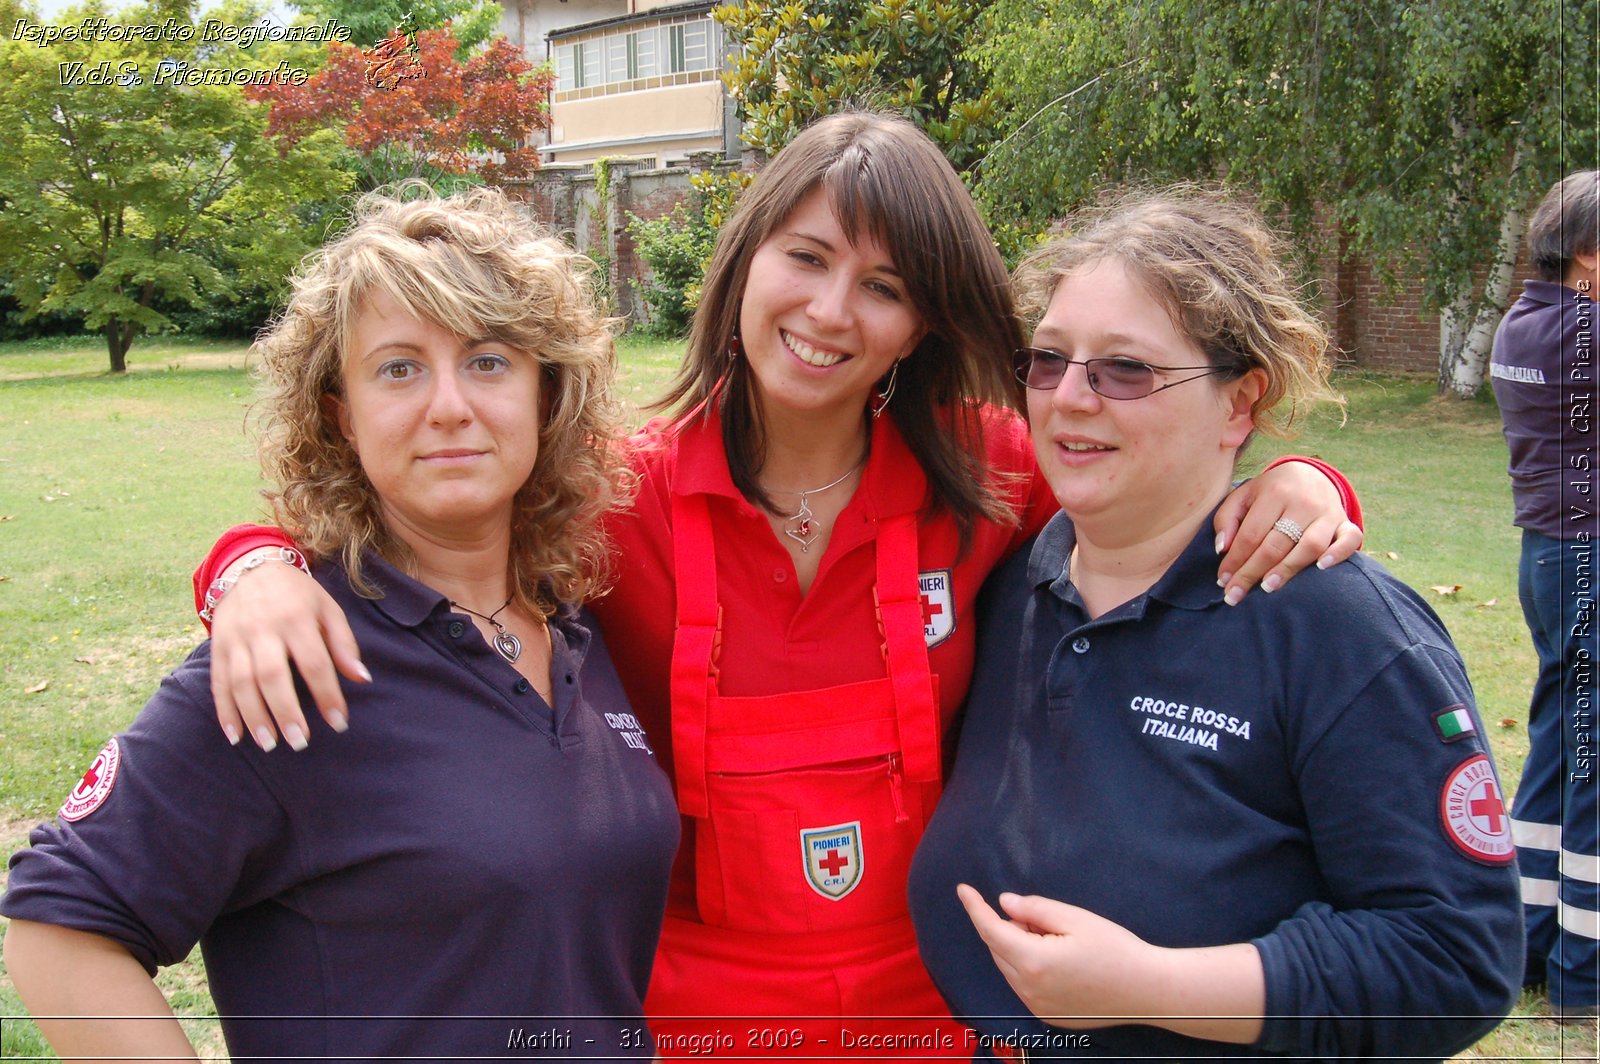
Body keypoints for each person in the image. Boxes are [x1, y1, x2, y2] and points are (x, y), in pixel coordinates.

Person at [187, 114, 1364, 1055]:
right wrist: (248, 565)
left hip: (939, 1010)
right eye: (804, 257)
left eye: (884, 286)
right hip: (687, 1018)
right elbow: (406, 520)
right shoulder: (604, 491)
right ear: (743, 259)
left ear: (919, 327)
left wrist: (1307, 478)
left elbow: (1154, 497)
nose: (828, 310)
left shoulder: (993, 472)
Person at [2, 188, 680, 1060]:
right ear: (340, 414)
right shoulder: (293, 658)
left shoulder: (575, 626)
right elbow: (61, 926)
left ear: (544, 391)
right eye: (398, 368)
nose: (449, 405)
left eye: (488, 360)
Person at [908, 190, 1525, 1060]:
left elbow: (1458, 958)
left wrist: (1149, 986)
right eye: (1048, 360)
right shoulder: (1013, 587)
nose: (1071, 398)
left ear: (1241, 403)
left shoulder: (1338, 631)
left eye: (1125, 368)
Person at [1490, 169, 1600, 1020]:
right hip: (1588, 559)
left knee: (1563, 745)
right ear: (1589, 255)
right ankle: (1583, 976)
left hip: (1547, 555)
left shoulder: (1523, 323)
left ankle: (1527, 942)